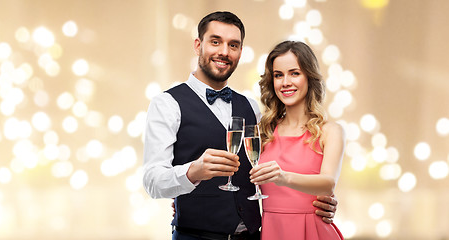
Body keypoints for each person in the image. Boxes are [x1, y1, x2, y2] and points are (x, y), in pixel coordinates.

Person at [143, 11, 337, 240]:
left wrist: (320, 201)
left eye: (233, 45)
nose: (224, 52)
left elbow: (281, 167)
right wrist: (192, 172)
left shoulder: (252, 108)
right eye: (215, 42)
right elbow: (152, 181)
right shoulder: (167, 104)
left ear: (240, 52)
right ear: (198, 45)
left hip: (254, 236)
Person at [249, 40, 345, 239]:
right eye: (278, 75)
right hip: (271, 231)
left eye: (295, 73)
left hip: (314, 232)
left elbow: (328, 183)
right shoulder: (263, 132)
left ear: (309, 77)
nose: (285, 82)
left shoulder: (330, 131)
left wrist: (284, 177)